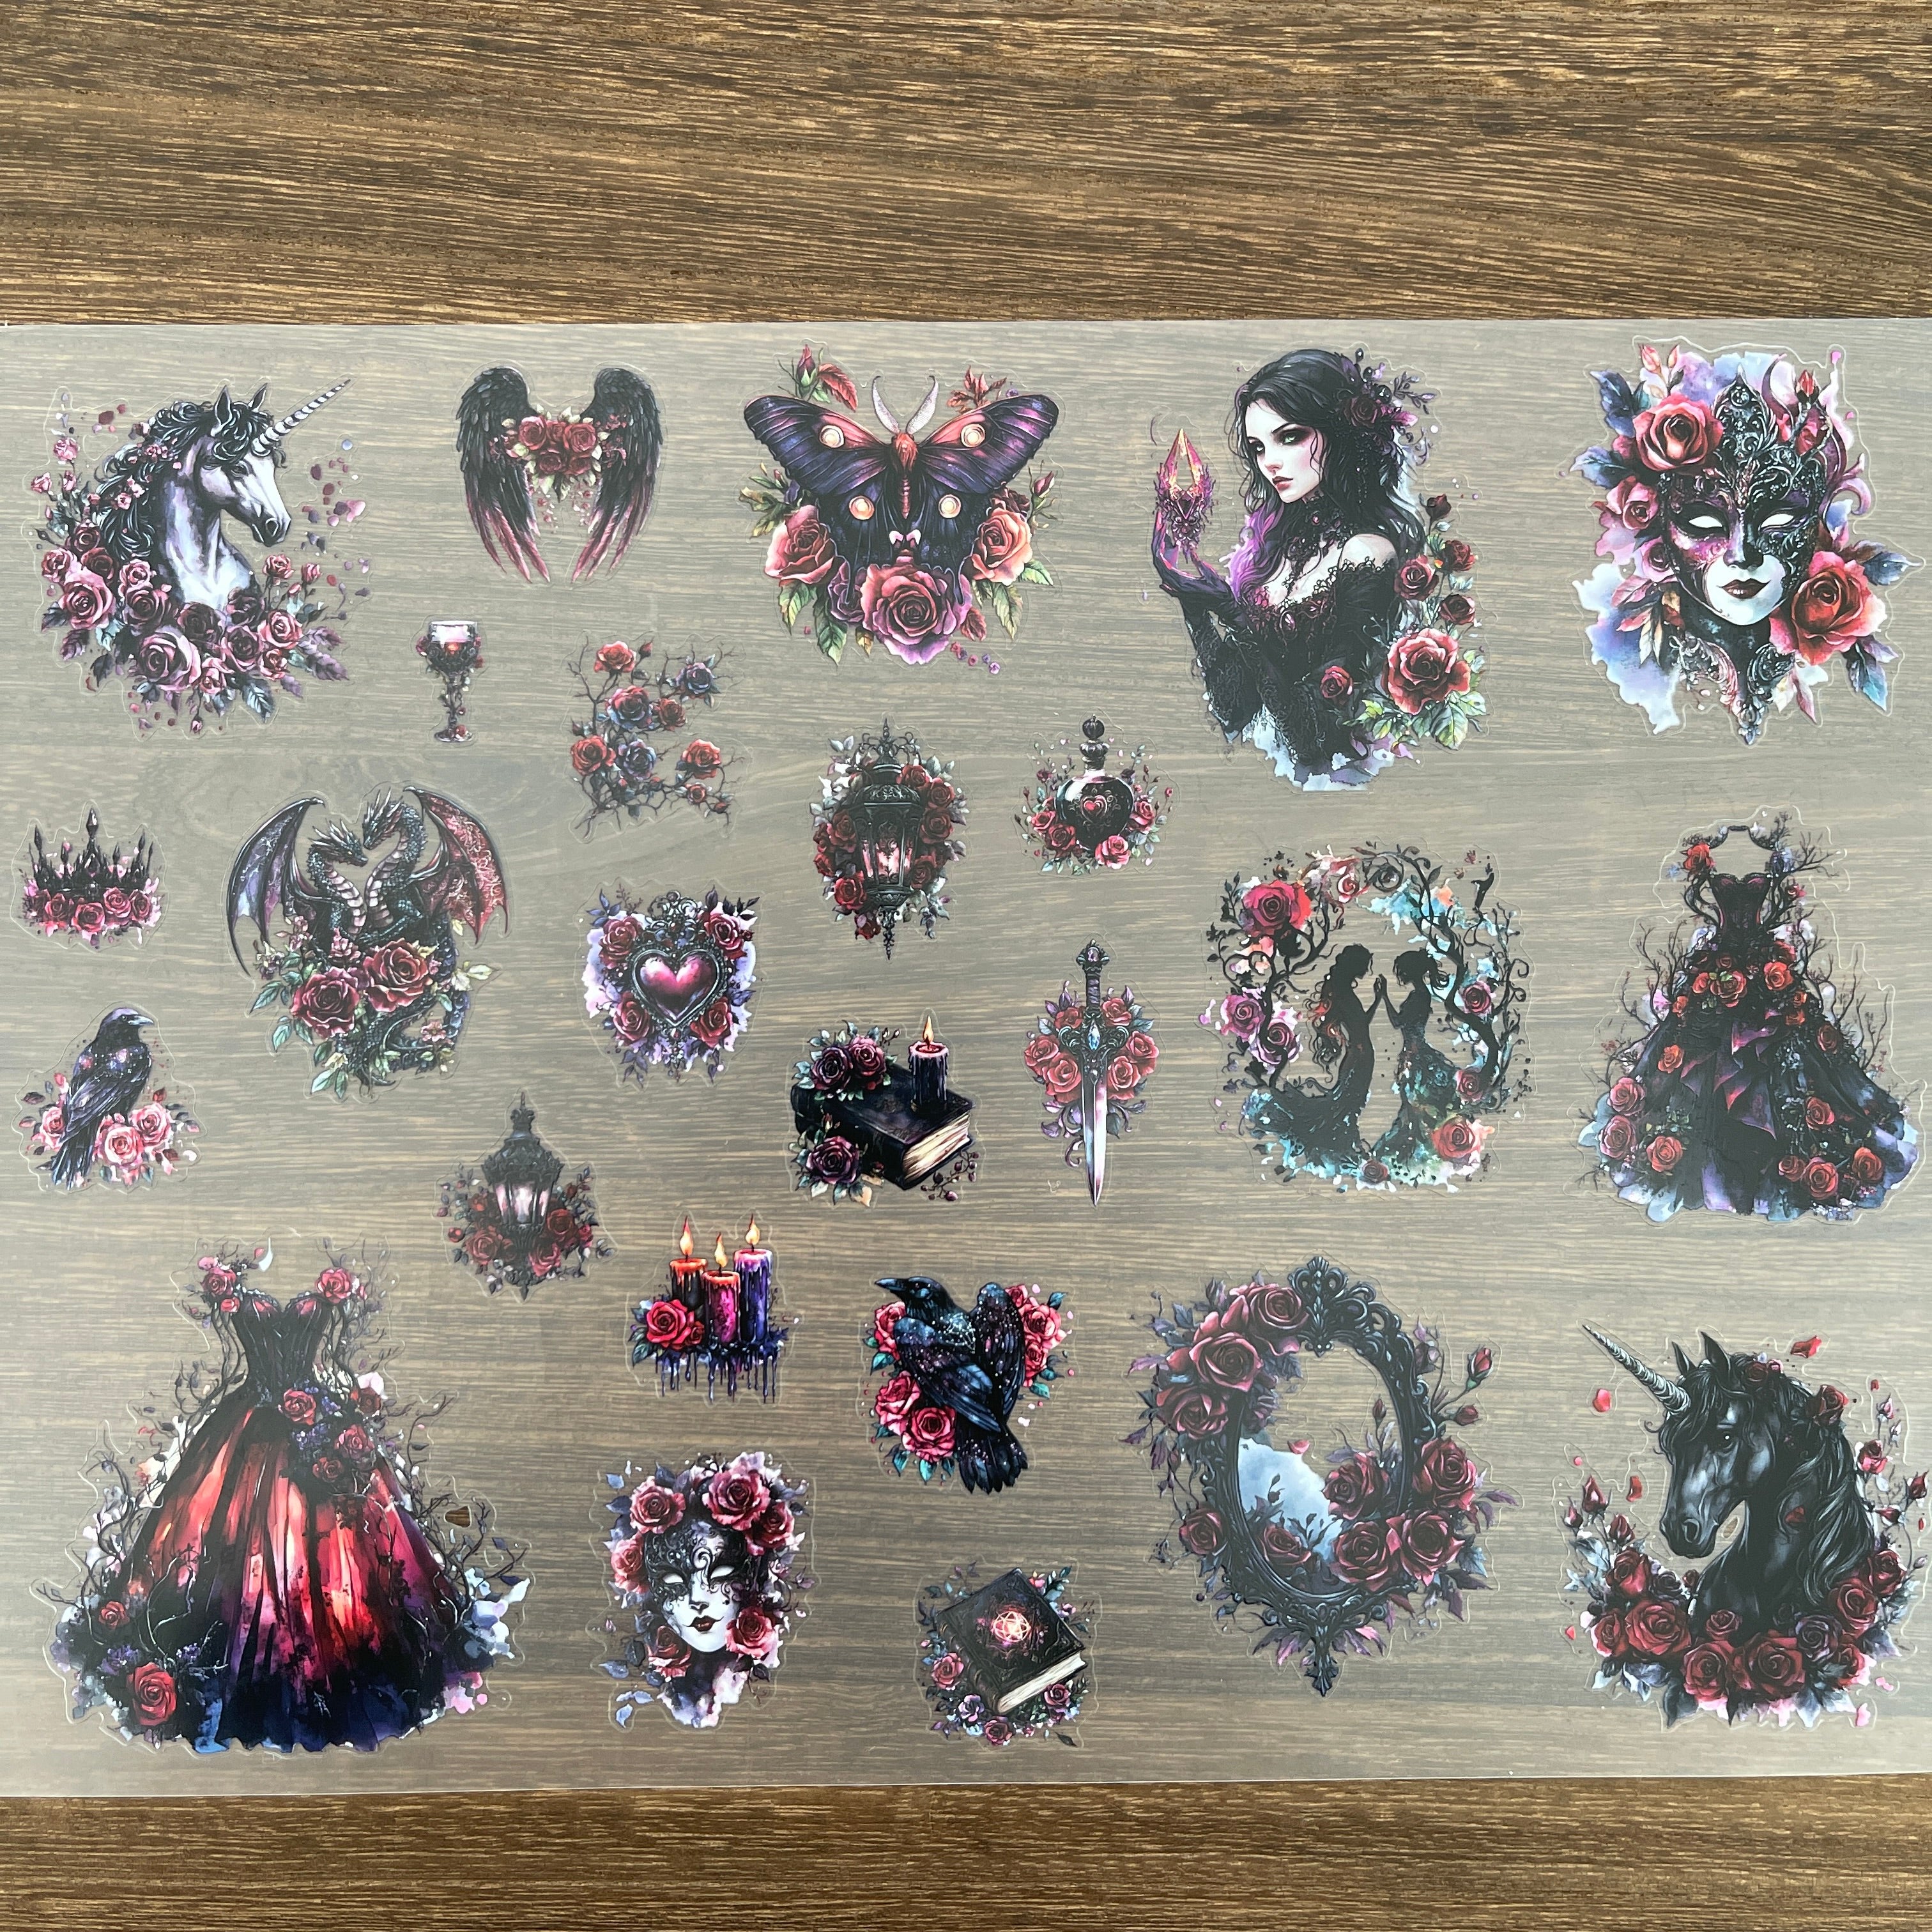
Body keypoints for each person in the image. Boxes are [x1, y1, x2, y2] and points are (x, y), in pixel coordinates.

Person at [1153, 348, 1429, 786]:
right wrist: (1192, 603)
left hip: (1339, 784)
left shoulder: (1368, 552)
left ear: (1337, 430)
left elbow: (1313, 740)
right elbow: (1235, 711)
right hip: (1262, 780)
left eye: (1290, 437)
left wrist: (1231, 612)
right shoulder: (1274, 550)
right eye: (1258, 447)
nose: (1270, 462)